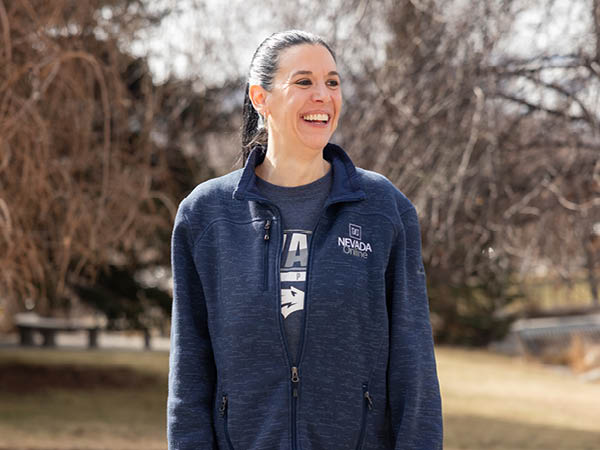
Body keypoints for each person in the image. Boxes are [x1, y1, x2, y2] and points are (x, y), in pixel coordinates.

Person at [168, 30, 443, 450]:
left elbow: (414, 367)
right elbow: (190, 374)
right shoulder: (207, 215)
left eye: (332, 83)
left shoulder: (383, 209)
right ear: (261, 98)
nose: (323, 96)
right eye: (304, 82)